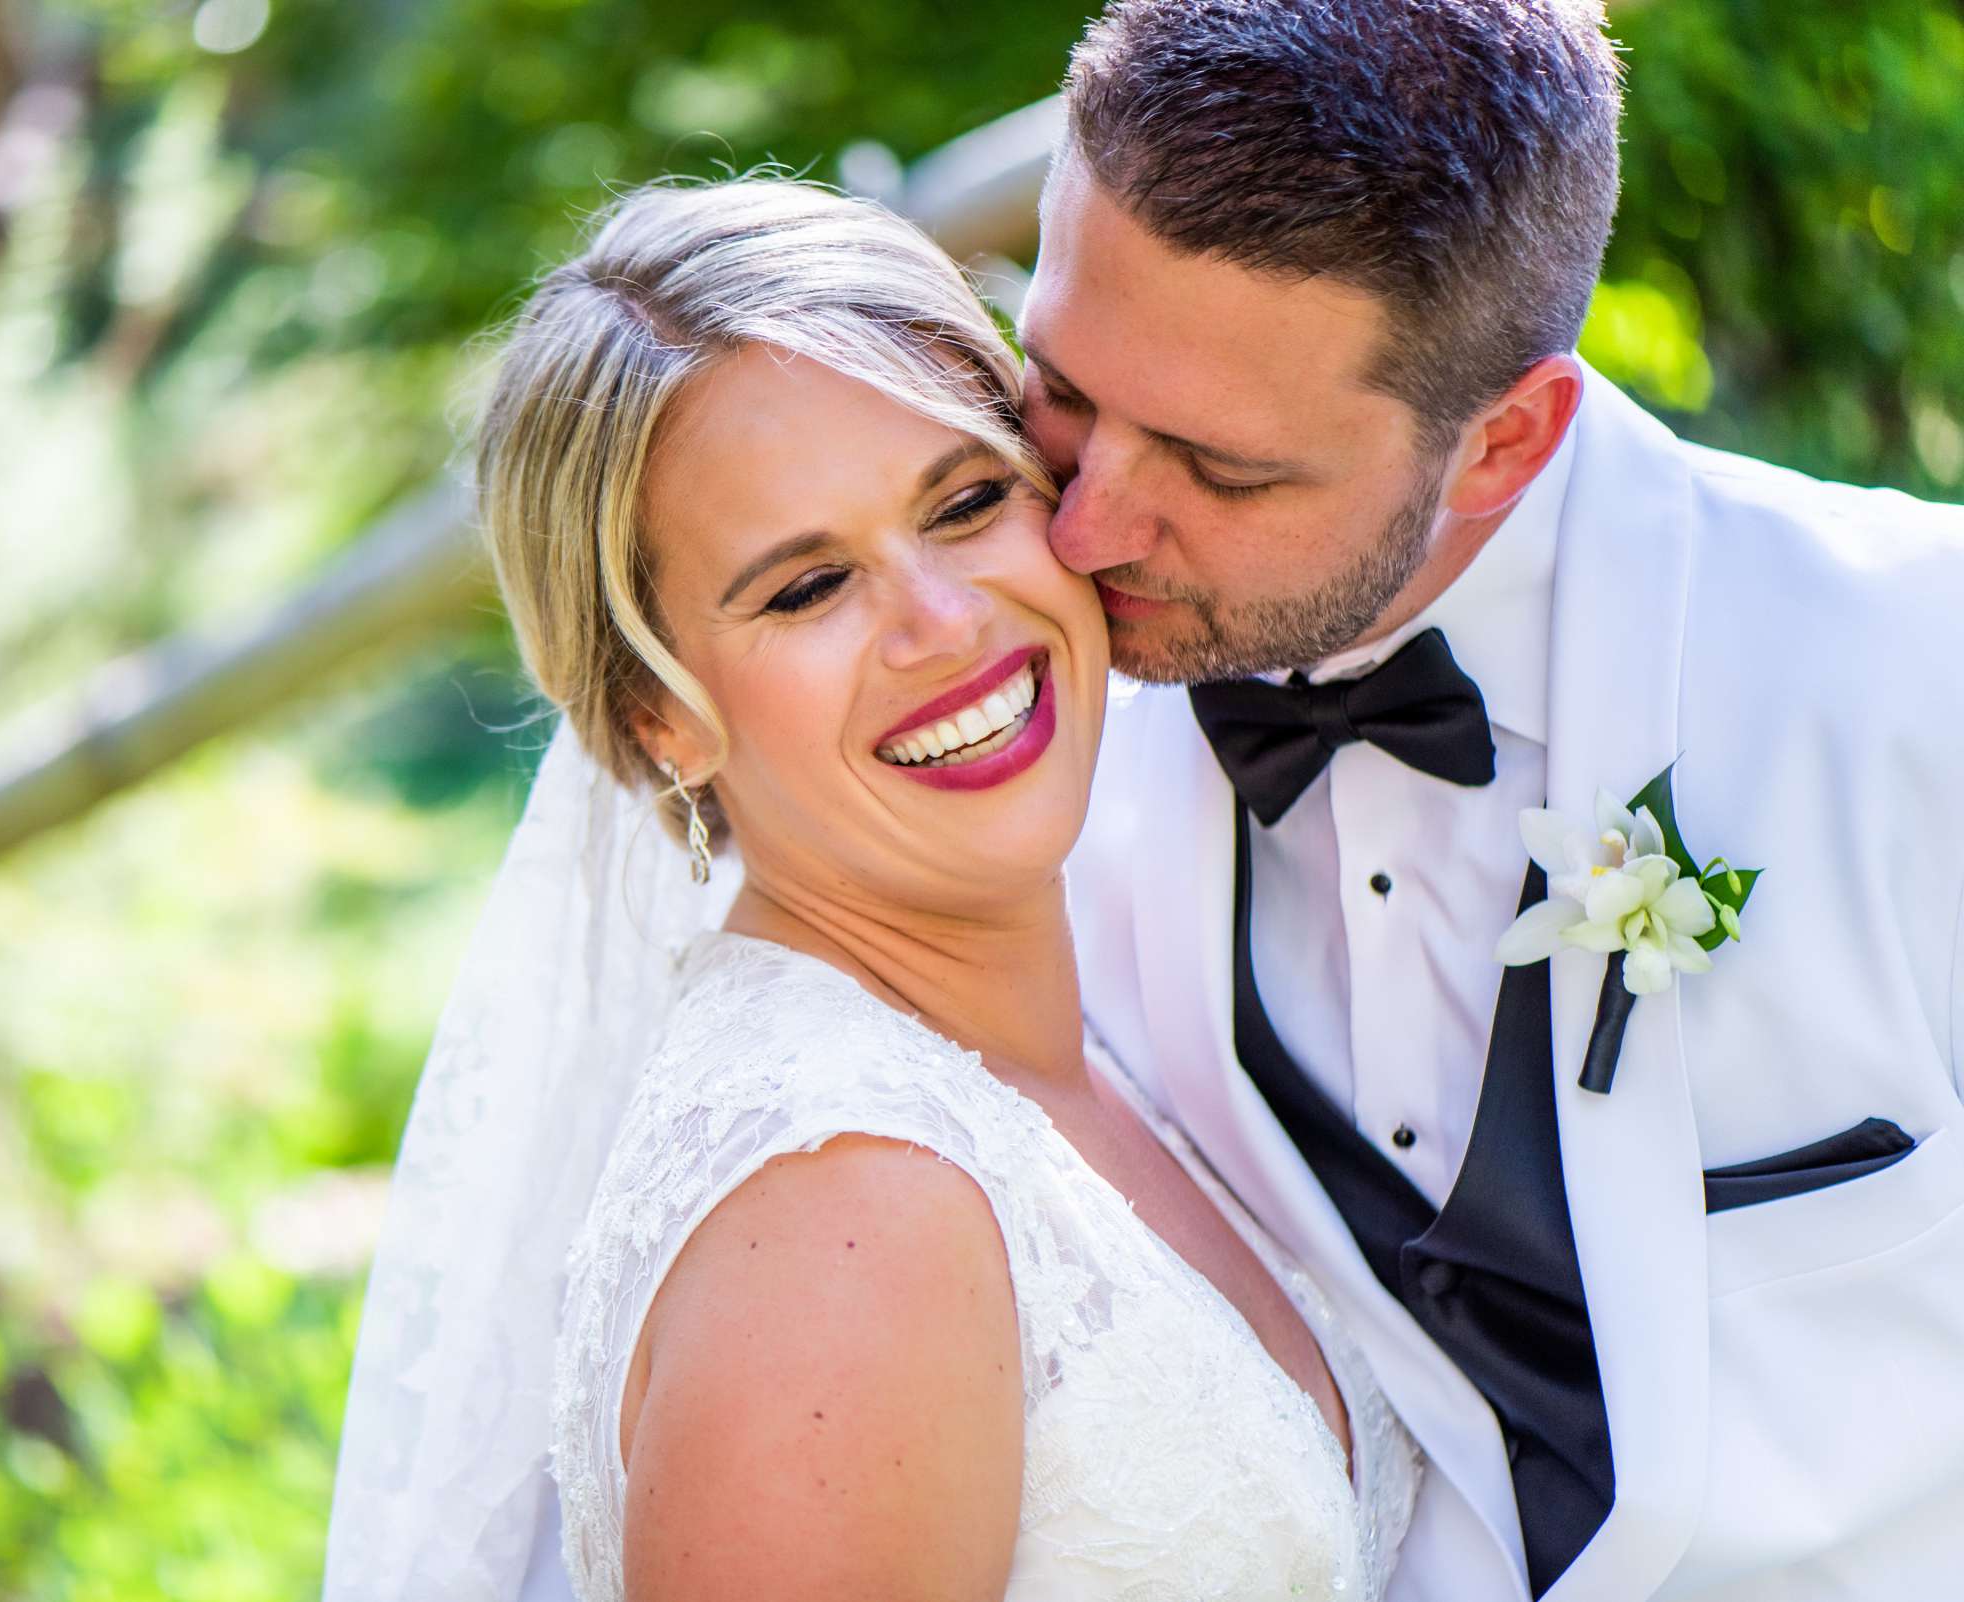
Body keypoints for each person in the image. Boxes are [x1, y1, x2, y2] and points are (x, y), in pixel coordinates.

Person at [330, 176, 1420, 1602]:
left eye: (966, 500)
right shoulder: (838, 1217)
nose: (944, 624)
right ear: (662, 716)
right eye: (804, 589)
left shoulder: (1061, 1050)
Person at [1039, 4, 1964, 1600]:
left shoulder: (1917, 677)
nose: (1081, 527)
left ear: (1506, 440)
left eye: (1221, 467)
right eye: (1060, 388)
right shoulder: (996, 741)